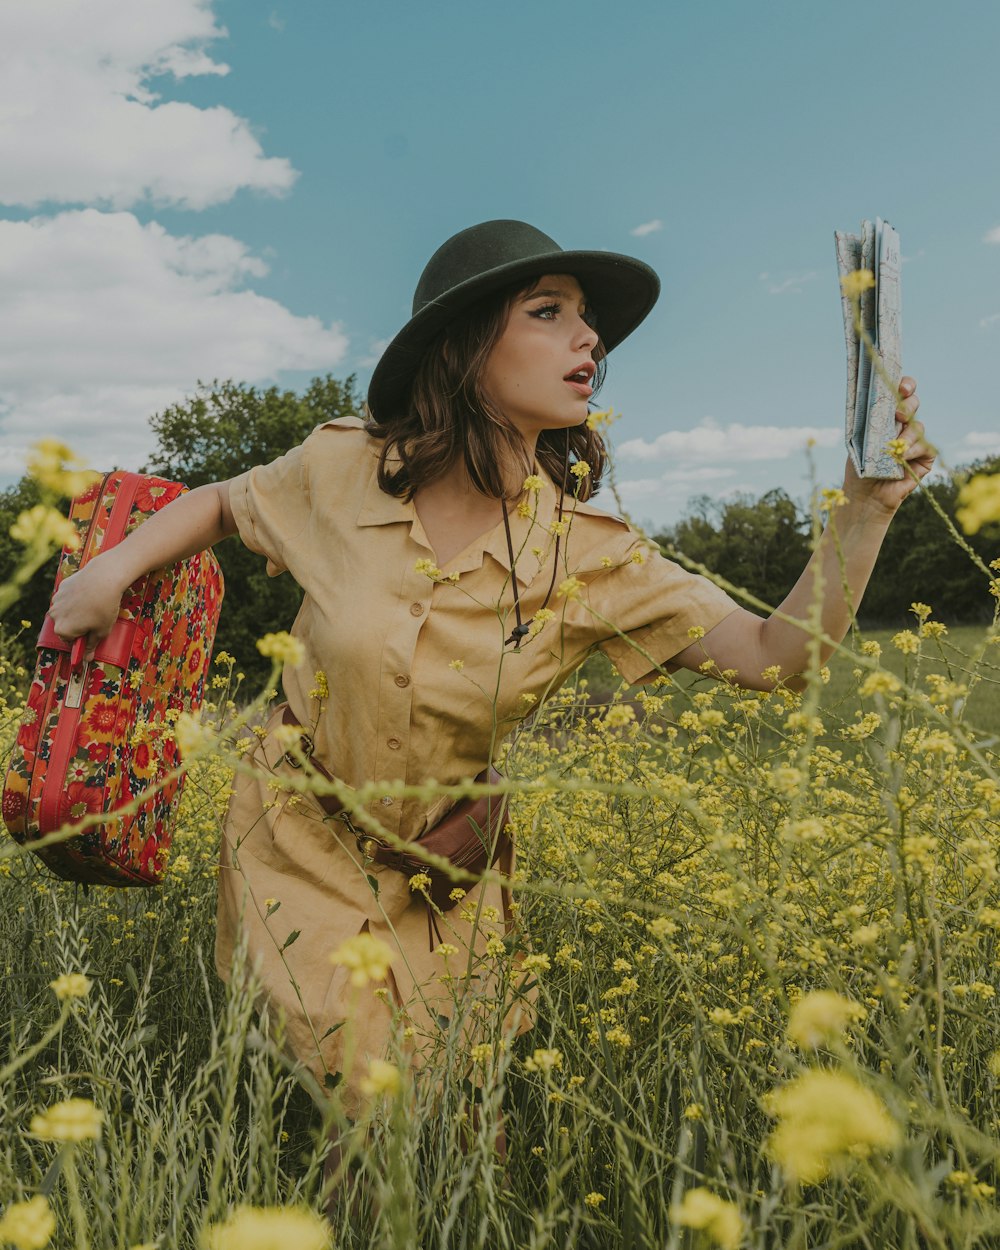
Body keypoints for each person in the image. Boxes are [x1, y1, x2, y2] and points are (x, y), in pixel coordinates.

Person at [46, 218, 933, 1130]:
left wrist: (864, 512)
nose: (588, 338)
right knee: (359, 1091)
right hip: (296, 835)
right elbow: (223, 503)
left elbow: (773, 657)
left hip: (446, 869)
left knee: (456, 1108)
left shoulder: (591, 554)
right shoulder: (344, 467)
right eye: (548, 313)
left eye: (587, 320)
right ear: (465, 351)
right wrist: (108, 572)